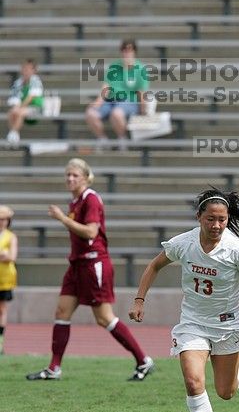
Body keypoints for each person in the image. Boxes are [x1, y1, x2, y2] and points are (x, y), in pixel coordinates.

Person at [129, 187, 239, 412]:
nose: (216, 225)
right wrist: (139, 299)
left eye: (222, 220)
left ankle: (238, 368)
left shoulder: (237, 250)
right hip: (193, 323)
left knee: (225, 393)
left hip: (228, 325)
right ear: (199, 218)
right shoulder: (184, 243)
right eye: (210, 220)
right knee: (194, 382)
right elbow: (155, 265)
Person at [26, 158, 154, 381]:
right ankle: (54, 368)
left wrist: (62, 219)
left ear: (85, 177)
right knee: (62, 312)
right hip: (77, 264)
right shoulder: (75, 201)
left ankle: (143, 360)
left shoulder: (90, 199)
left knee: (104, 318)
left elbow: (91, 233)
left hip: (94, 264)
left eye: (75, 175)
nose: (70, 179)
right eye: (68, 175)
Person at [85, 38, 148, 149]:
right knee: (91, 113)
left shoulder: (140, 69)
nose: (126, 53)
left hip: (129, 101)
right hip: (110, 101)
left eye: (129, 50)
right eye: (124, 50)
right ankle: (103, 139)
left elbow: (142, 93)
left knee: (117, 113)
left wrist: (144, 112)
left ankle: (122, 138)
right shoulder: (114, 67)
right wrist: (97, 103)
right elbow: (106, 87)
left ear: (134, 52)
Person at [6, 59, 44, 145]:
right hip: (23, 108)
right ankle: (14, 135)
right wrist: (16, 107)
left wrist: (19, 107)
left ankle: (12, 135)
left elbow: (31, 97)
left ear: (34, 70)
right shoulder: (18, 83)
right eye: (24, 68)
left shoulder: (36, 81)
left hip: (36, 109)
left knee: (19, 112)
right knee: (11, 112)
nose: (25, 71)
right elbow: (14, 98)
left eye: (28, 69)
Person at [0, 205, 18, 354]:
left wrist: (5, 255)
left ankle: (0, 341)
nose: (2, 222)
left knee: (2, 309)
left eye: (4, 219)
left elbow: (11, 256)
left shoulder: (10, 236)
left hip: (5, 278)